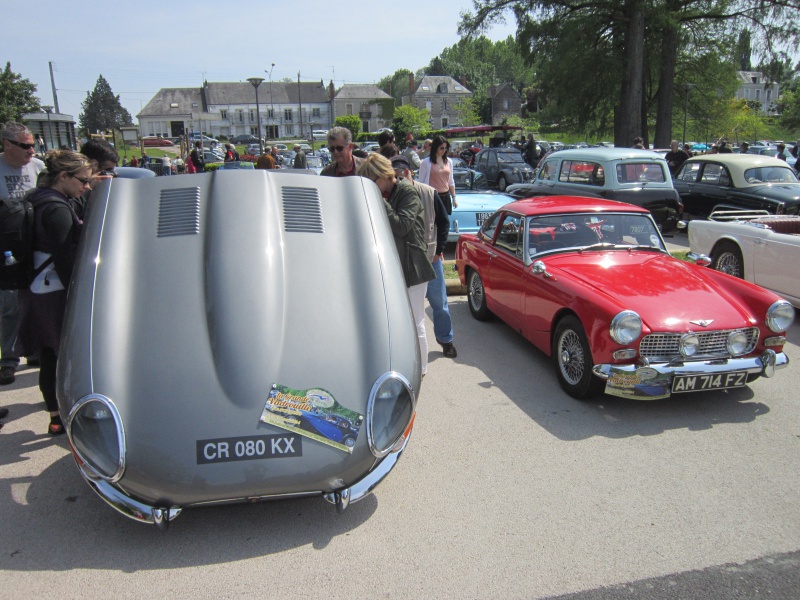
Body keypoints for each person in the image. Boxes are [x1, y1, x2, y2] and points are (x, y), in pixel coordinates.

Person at [16, 150, 91, 435]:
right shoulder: (57, 209)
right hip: (54, 293)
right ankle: (64, 414)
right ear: (63, 176)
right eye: (83, 180)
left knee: (49, 355)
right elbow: (65, 258)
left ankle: (55, 416)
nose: (85, 186)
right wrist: (79, 294)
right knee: (63, 356)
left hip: (37, 288)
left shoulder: (36, 197)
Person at [356, 154, 435, 375]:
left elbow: (401, 226)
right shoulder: (390, 193)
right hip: (398, 266)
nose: (372, 187)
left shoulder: (407, 192)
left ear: (382, 175)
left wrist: (380, 201)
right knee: (401, 321)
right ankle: (407, 364)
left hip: (414, 266)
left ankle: (421, 370)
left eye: (372, 181)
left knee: (416, 321)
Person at [391, 156, 456, 358]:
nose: (400, 179)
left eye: (403, 174)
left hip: (430, 257)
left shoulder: (428, 192)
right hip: (406, 260)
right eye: (395, 175)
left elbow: (444, 222)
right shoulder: (391, 195)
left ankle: (446, 340)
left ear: (410, 172)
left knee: (439, 303)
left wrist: (439, 250)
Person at [0, 122, 46, 387]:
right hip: (6, 247)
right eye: (25, 145)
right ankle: (8, 360)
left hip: (32, 244)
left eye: (33, 144)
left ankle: (34, 350)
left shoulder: (38, 167)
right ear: (7, 145)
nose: (31, 150)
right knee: (9, 306)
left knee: (35, 298)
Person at [418, 136, 457, 214]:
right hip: (432, 196)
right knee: (433, 223)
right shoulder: (426, 162)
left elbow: (451, 181)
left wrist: (454, 197)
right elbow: (421, 182)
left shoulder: (449, 161)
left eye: (445, 148)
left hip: (445, 196)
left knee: (445, 224)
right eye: (441, 148)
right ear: (436, 147)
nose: (444, 150)